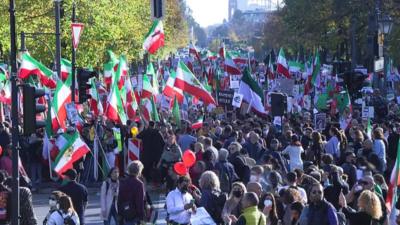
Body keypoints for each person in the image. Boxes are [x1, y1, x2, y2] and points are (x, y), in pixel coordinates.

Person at [118, 161, 145, 225]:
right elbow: (139, 202)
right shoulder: (139, 184)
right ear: (139, 171)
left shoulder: (122, 182)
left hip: (124, 212)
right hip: (134, 215)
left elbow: (119, 199)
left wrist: (119, 213)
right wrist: (141, 217)